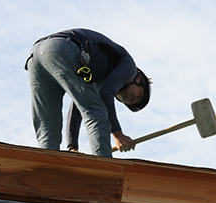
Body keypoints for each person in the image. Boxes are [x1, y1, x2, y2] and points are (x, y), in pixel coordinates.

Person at [25, 28, 150, 156]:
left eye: (130, 103)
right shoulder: (130, 67)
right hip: (62, 48)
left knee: (48, 124)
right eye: (139, 95)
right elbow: (105, 95)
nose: (133, 100)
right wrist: (118, 135)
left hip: (35, 56)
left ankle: (48, 169)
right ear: (139, 79)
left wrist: (72, 146)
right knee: (97, 110)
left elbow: (78, 105)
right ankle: (105, 169)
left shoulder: (101, 76)